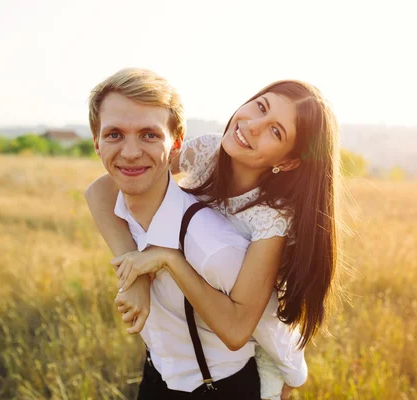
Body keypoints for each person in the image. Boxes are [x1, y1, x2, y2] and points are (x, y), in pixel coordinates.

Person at [87, 70, 344, 400]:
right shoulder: (207, 150)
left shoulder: (271, 220)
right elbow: (104, 188)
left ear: (290, 161)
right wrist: (134, 274)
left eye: (275, 131)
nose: (253, 125)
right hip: (179, 352)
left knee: (278, 373)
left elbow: (240, 327)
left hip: (256, 324)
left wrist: (169, 259)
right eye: (261, 107)